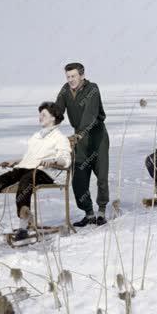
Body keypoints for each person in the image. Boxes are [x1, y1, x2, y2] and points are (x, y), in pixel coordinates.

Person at [0, 102, 71, 242]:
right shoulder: (36, 136)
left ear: (53, 118)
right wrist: (15, 162)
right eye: (39, 114)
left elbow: (65, 159)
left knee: (25, 181)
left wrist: (53, 161)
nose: (40, 117)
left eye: (43, 114)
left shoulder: (59, 138)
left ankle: (23, 226)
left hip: (46, 172)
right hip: (27, 168)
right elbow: (30, 157)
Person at [55, 62, 110, 227]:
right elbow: (58, 109)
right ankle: (89, 213)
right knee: (78, 178)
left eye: (73, 76)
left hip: (97, 136)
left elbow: (90, 113)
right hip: (78, 139)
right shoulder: (65, 90)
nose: (71, 79)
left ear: (82, 75)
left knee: (101, 176)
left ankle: (101, 211)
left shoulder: (92, 88)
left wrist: (79, 133)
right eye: (68, 77)